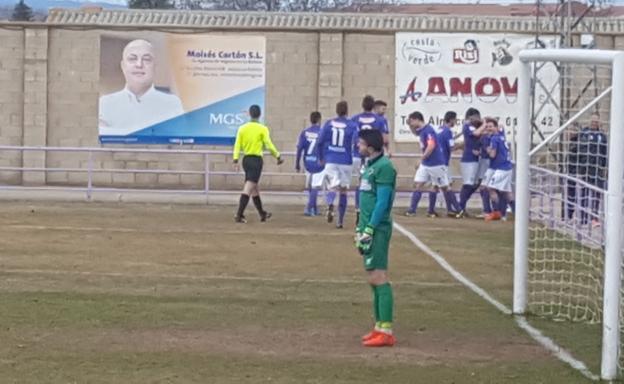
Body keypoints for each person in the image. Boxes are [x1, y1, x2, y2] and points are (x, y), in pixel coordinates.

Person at [355, 129, 397, 347]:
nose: (358, 146)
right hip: (366, 226)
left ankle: (386, 331)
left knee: (378, 276)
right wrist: (359, 226)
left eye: (360, 143)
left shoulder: (384, 167)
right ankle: (378, 327)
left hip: (377, 228)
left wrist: (370, 228)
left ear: (370, 146)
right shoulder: (370, 166)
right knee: (372, 278)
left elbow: (382, 202)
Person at [99, 39, 184, 136]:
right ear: (123, 66)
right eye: (132, 59)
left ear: (154, 66)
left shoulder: (172, 104)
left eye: (146, 59)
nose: (139, 65)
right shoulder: (105, 104)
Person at [232, 105, 283, 223]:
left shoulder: (242, 128)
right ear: (259, 115)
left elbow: (237, 145)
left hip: (246, 160)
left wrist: (235, 159)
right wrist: (277, 156)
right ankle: (239, 214)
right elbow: (268, 144)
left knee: (254, 188)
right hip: (256, 160)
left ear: (249, 114)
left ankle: (262, 213)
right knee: (249, 187)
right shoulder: (262, 129)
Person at [404, 111, 454, 217]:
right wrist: (410, 126)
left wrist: (421, 158)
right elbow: (415, 133)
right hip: (426, 164)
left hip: (435, 163)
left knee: (443, 186)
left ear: (417, 119)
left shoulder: (429, 130)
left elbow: (431, 145)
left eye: (412, 121)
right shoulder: (422, 130)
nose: (411, 124)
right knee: (418, 184)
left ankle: (456, 209)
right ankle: (412, 210)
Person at [317, 101, 358, 229]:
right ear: (347, 111)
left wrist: (321, 158)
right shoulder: (352, 125)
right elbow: (357, 143)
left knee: (332, 187)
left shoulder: (328, 124)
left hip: (331, 159)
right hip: (346, 160)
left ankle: (330, 204)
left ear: (336, 110)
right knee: (344, 191)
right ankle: (340, 221)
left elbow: (319, 142)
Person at [352, 95, 389, 225]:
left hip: (358, 155)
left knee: (360, 183)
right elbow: (385, 139)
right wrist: (386, 151)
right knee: (375, 183)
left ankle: (358, 208)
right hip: (373, 156)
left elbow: (352, 136)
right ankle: (373, 208)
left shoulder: (355, 119)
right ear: (373, 106)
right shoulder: (380, 120)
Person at [456, 108, 488, 218]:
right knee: (468, 184)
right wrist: (484, 124)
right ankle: (460, 207)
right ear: (470, 117)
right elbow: (476, 133)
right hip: (468, 159)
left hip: (475, 159)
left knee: (476, 183)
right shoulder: (467, 126)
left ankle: (461, 206)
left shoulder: (474, 127)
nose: (478, 119)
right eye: (476, 117)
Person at [577, 113, 608, 227]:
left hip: (598, 169)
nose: (594, 123)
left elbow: (605, 152)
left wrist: (604, 167)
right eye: (593, 121)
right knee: (584, 192)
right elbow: (580, 150)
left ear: (599, 122)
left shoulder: (602, 136)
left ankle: (594, 218)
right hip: (585, 168)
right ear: (589, 122)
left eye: (596, 121)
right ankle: (583, 218)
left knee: (597, 194)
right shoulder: (584, 133)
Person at [484, 118, 514, 221]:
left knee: (490, 188)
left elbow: (492, 155)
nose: (489, 129)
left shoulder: (494, 139)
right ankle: (516, 212)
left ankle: (497, 212)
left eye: (491, 126)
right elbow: (502, 128)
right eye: (487, 127)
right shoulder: (501, 136)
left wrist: (488, 150)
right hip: (508, 167)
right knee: (506, 192)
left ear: (495, 127)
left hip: (502, 168)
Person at [296, 112, 325, 216]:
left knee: (310, 186)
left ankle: (314, 208)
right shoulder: (322, 132)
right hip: (319, 162)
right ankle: (310, 207)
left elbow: (299, 148)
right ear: (319, 120)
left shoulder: (305, 132)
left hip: (307, 161)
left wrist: (297, 164)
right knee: (315, 186)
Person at [431, 111, 460, 215]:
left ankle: (432, 210)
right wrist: (462, 145)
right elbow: (451, 147)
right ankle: (455, 209)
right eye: (455, 119)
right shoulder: (448, 131)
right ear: (451, 119)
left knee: (436, 185)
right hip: (443, 162)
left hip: (435, 161)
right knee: (447, 185)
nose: (456, 122)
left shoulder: (439, 129)